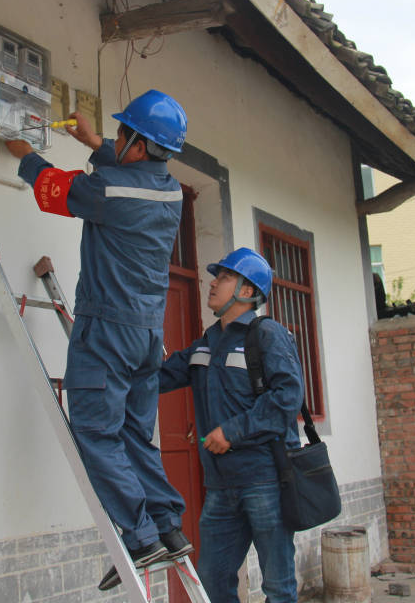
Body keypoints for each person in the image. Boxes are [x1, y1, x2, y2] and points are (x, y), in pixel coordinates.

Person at [4, 90, 192, 589]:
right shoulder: (170, 191)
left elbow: (52, 188)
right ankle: (168, 527)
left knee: (94, 431)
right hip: (148, 333)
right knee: (133, 434)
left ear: (135, 140)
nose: (117, 139)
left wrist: (24, 153)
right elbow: (131, 172)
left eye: (121, 133)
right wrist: (94, 142)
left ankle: (139, 536)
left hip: (107, 331)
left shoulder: (106, 191)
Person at [160, 248, 304, 603]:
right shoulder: (207, 343)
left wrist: (232, 432)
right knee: (212, 580)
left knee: (278, 584)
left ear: (245, 291)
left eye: (223, 277)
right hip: (221, 487)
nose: (213, 283)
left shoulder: (267, 335)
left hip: (265, 481)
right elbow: (160, 376)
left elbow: (288, 396)